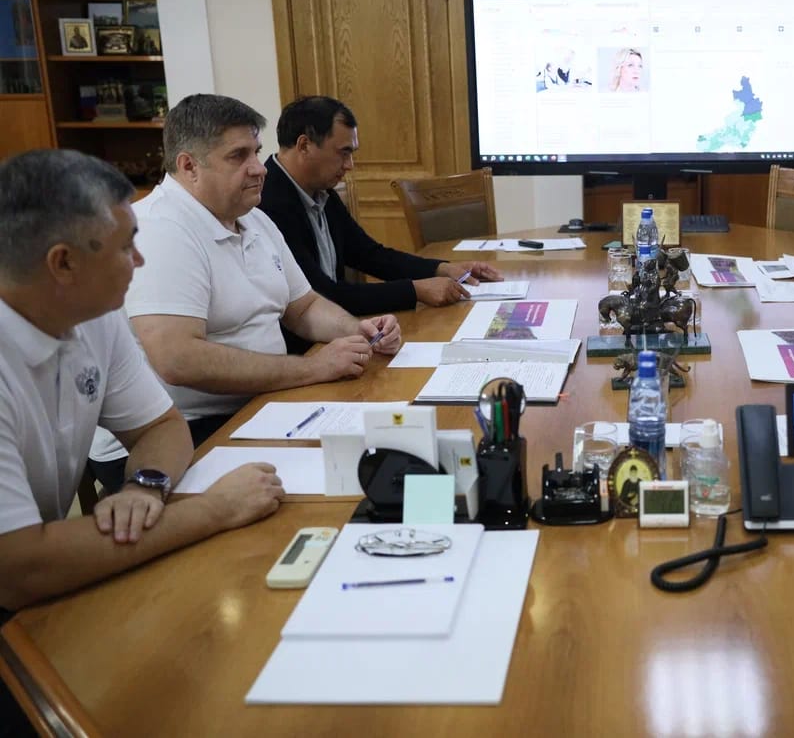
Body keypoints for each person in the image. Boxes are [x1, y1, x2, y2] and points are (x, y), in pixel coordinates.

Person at [0, 149, 285, 613]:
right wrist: (217, 508)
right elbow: (20, 568)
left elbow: (161, 426)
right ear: (63, 264)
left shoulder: (92, 316)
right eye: (124, 247)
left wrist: (144, 487)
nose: (139, 260)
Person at [124, 94, 403, 452]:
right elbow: (178, 361)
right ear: (189, 166)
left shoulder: (254, 218)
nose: (260, 168)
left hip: (263, 404)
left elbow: (303, 307)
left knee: (389, 436)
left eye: (256, 152)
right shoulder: (160, 230)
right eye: (238, 156)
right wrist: (313, 368)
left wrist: (360, 331)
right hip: (182, 431)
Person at [258, 96, 501, 352]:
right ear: (305, 145)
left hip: (337, 337)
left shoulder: (320, 190)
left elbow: (369, 254)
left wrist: (441, 268)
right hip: (304, 351)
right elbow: (323, 296)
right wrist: (414, 290)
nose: (350, 165)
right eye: (343, 153)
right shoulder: (268, 203)